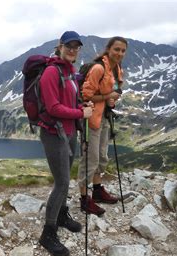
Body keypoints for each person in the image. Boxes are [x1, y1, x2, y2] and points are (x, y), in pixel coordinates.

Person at [38, 30, 93, 256]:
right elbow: (53, 108)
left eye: (76, 46)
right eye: (68, 45)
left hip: (69, 133)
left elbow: (69, 102)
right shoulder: (51, 72)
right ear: (59, 46)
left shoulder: (69, 72)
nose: (72, 50)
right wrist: (81, 113)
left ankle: (61, 215)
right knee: (61, 182)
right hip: (54, 134)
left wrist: (81, 106)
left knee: (66, 179)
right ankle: (48, 233)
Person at [77, 36, 127, 216]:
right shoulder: (99, 68)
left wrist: (110, 101)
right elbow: (85, 96)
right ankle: (84, 200)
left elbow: (108, 94)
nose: (119, 53)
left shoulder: (116, 69)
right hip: (91, 120)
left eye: (122, 50)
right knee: (90, 160)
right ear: (108, 49)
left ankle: (97, 191)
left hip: (104, 117)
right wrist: (108, 97)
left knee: (102, 157)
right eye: (116, 49)